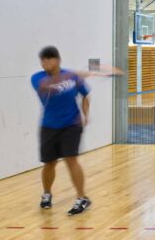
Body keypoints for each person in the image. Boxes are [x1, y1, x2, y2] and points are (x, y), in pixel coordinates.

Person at [31, 45, 121, 215]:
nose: (45, 62)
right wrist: (72, 75)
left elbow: (85, 94)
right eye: (43, 59)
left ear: (58, 60)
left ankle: (82, 198)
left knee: (71, 160)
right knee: (49, 163)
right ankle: (46, 194)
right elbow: (46, 86)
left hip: (71, 125)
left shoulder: (72, 77)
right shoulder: (37, 78)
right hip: (48, 126)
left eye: (49, 58)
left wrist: (85, 114)